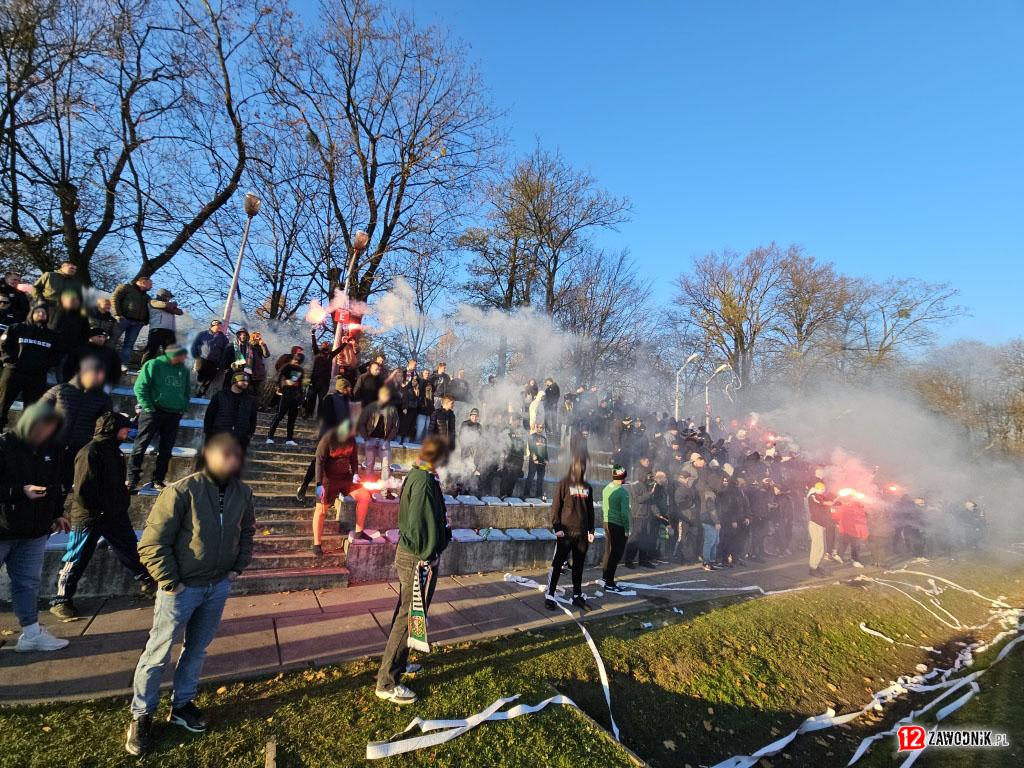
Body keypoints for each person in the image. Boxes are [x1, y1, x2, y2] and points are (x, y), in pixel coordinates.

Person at [126, 433, 255, 756]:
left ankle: (182, 704)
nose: (230, 461)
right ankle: (142, 714)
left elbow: (248, 530)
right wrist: (170, 581)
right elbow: (152, 543)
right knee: (158, 651)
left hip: (217, 585)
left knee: (197, 649)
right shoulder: (182, 491)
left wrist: (237, 567)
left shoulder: (242, 492)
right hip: (182, 587)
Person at [50, 412, 156, 618]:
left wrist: (121, 503)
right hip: (91, 515)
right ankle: (61, 599)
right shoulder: (90, 451)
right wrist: (100, 508)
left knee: (130, 549)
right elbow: (83, 489)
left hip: (114, 514)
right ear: (113, 428)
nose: (128, 431)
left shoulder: (116, 452)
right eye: (125, 428)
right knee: (76, 557)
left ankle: (147, 582)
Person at [374, 436, 451, 706]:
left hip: (415, 555)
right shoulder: (423, 482)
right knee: (407, 617)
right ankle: (386, 682)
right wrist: (429, 553)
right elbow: (419, 525)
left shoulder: (419, 477)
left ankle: (400, 663)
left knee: (409, 613)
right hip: (418, 558)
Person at [0, 401, 70, 652]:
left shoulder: (52, 449)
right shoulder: (4, 445)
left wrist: (56, 514)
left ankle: (31, 634)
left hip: (35, 532)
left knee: (28, 583)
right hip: (3, 530)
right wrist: (20, 491)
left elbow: (53, 485)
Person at [40, 356, 113, 489]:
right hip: (53, 446)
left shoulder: (104, 399)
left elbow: (106, 425)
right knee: (45, 482)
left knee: (67, 487)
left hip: (80, 450)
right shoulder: (60, 390)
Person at [128, 345, 191, 492]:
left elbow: (187, 390)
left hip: (174, 413)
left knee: (166, 448)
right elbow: (140, 387)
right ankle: (132, 479)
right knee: (141, 445)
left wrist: (182, 406)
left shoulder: (184, 370)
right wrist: (148, 406)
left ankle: (158, 479)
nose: (184, 358)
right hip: (153, 412)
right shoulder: (154, 364)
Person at [545, 454, 596, 612]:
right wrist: (557, 527)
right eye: (578, 467)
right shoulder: (563, 483)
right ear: (572, 467)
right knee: (558, 564)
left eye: (583, 467)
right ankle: (550, 594)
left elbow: (590, 511)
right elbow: (555, 507)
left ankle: (577, 595)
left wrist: (591, 530)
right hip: (566, 532)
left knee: (579, 565)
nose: (581, 469)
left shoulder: (588, 487)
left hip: (582, 534)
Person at [312, 419, 373, 551]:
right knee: (321, 510)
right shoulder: (328, 438)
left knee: (364, 496)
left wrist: (355, 473)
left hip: (345, 477)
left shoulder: (352, 440)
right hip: (328, 479)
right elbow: (319, 462)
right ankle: (317, 544)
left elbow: (354, 459)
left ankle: (359, 531)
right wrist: (318, 484)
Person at [0, 302, 60, 425]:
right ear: (31, 314)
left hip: (36, 376)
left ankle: (22, 434)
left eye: (44, 313)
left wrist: (44, 366)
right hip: (14, 372)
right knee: (3, 403)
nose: (41, 314)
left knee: (31, 408)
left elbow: (57, 355)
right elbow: (4, 346)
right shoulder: (16, 328)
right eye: (38, 312)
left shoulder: (52, 336)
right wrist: (10, 362)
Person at [297, 377, 352, 500]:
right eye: (348, 387)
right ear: (342, 388)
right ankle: (305, 485)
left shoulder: (345, 402)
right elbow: (326, 419)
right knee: (318, 460)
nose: (350, 389)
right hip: (327, 436)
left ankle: (329, 491)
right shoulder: (329, 399)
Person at [202, 370, 257, 452]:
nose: (246, 383)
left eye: (247, 381)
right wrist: (208, 433)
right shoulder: (220, 396)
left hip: (240, 439)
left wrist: (249, 434)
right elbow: (209, 415)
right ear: (234, 381)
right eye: (242, 380)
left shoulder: (249, 400)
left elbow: (253, 418)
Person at [357, 385, 399, 479]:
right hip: (370, 439)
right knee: (369, 465)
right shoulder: (370, 407)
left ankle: (384, 489)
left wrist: (388, 440)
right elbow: (361, 423)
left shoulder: (392, 409)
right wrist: (366, 439)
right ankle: (368, 487)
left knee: (386, 466)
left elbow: (395, 426)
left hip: (384, 440)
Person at [599, 464, 630, 592]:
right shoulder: (622, 492)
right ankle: (610, 582)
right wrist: (627, 529)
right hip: (617, 524)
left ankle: (605, 577)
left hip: (607, 522)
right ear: (622, 478)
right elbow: (624, 513)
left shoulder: (606, 488)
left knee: (608, 550)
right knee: (616, 553)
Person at [265, 350, 305, 445]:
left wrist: (301, 397)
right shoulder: (287, 367)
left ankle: (289, 439)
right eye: (296, 360)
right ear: (293, 359)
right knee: (279, 415)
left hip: (295, 396)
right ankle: (270, 436)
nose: (297, 363)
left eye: (299, 362)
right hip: (286, 394)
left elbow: (300, 385)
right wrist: (284, 384)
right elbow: (280, 378)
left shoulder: (300, 370)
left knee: (292, 418)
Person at [111, 276, 152, 366]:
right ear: (143, 282)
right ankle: (103, 360)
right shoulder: (126, 287)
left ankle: (123, 365)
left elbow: (150, 310)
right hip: (123, 319)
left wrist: (145, 321)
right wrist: (117, 314)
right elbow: (115, 298)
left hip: (137, 323)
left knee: (129, 345)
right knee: (112, 340)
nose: (151, 287)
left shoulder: (147, 297)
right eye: (150, 284)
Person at [49, 290, 90, 368]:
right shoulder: (55, 308)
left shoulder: (82, 316)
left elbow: (85, 334)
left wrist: (77, 347)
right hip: (50, 344)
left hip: (68, 349)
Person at [142, 288, 184, 364]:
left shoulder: (169, 305)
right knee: (151, 350)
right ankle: (143, 367)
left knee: (170, 353)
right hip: (157, 329)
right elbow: (164, 305)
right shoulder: (153, 301)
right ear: (163, 295)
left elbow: (180, 312)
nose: (169, 298)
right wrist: (174, 304)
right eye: (168, 296)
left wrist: (170, 308)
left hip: (170, 331)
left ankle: (167, 369)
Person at [190, 319, 229, 396]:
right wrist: (196, 357)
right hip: (201, 360)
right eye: (218, 325)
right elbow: (194, 346)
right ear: (213, 326)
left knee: (208, 380)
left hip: (214, 363)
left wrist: (221, 363)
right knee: (199, 377)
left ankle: (200, 395)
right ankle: (192, 393)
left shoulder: (224, 338)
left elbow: (226, 351)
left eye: (220, 326)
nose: (220, 327)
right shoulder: (202, 334)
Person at [806, 482, 834, 576]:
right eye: (820, 489)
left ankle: (816, 565)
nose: (822, 490)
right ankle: (812, 568)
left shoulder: (823, 497)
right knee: (817, 547)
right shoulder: (812, 496)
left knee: (822, 548)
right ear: (816, 488)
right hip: (815, 524)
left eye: (823, 489)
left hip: (822, 525)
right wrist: (827, 503)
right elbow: (818, 502)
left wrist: (839, 503)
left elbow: (829, 502)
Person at [525, 422, 548, 500]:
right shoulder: (531, 436)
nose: (540, 429)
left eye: (542, 428)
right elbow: (531, 448)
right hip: (534, 462)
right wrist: (534, 458)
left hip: (542, 462)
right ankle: (526, 494)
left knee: (540, 479)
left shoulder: (544, 438)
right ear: (536, 427)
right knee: (530, 478)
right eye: (539, 427)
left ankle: (538, 495)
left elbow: (546, 450)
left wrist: (547, 460)